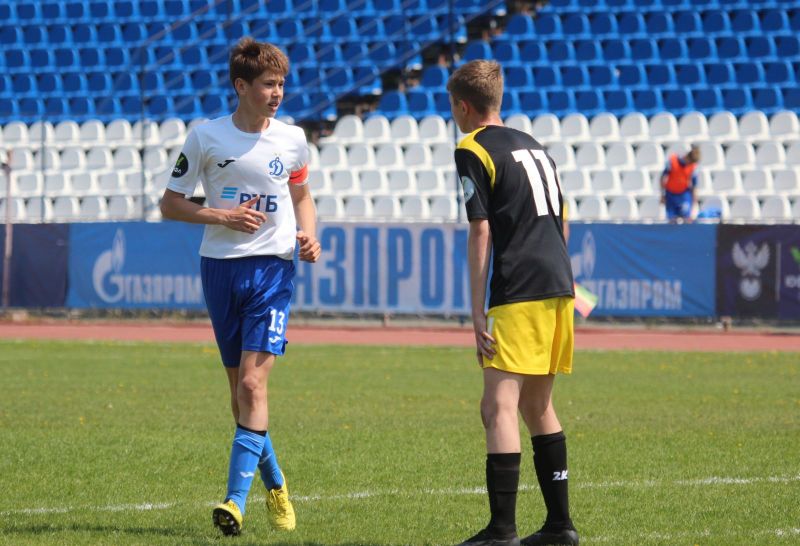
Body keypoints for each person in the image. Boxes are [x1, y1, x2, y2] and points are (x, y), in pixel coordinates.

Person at [160, 37, 321, 537]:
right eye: (269, 84)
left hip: (272, 270)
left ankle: (234, 502)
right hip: (220, 269)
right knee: (239, 395)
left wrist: (309, 234)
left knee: (252, 385)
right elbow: (170, 204)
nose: (278, 93)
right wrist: (222, 215)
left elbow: (302, 196)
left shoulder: (292, 139)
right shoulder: (205, 137)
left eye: (281, 84)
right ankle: (276, 483)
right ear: (241, 86)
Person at [449, 60, 579, 546]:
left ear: (463, 106)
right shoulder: (535, 145)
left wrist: (476, 309)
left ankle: (502, 530)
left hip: (518, 285)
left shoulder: (472, 147)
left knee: (497, 406)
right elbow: (563, 218)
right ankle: (559, 526)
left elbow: (480, 228)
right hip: (558, 282)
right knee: (538, 404)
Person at [660, 144, 701, 223]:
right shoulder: (672, 161)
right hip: (670, 195)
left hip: (684, 195)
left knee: (686, 219)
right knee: (671, 221)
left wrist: (694, 200)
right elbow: (662, 178)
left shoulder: (693, 167)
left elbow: (694, 185)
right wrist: (662, 194)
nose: (690, 164)